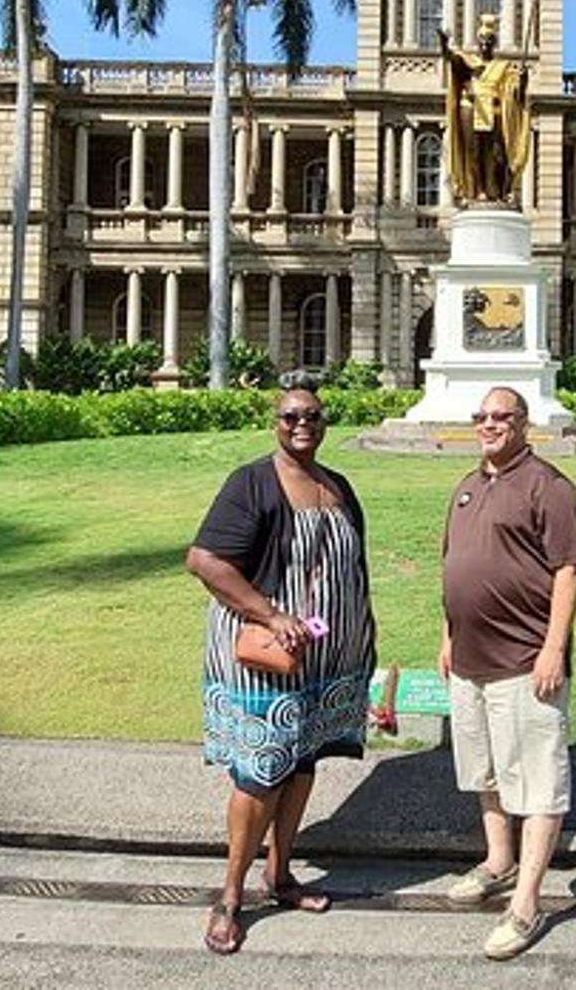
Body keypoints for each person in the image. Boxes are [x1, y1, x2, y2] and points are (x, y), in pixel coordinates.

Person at [187, 387, 376, 955]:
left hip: (324, 661)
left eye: (312, 417)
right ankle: (229, 897)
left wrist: (366, 635)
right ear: (275, 423)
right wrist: (272, 613)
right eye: (291, 416)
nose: (302, 425)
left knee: (302, 764)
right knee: (261, 773)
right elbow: (204, 561)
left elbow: (353, 568)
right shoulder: (252, 482)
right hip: (263, 660)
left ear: (324, 423)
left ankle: (282, 873)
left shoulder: (336, 486)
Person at [439, 385, 576, 961]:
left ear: (525, 423)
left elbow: (568, 572)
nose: (490, 424)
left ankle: (526, 903)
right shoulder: (471, 485)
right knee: (486, 771)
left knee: (538, 781)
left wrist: (553, 648)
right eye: (483, 416)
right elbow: (452, 564)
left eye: (502, 416)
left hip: (524, 658)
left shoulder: (549, 487)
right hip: (470, 657)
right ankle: (499, 862)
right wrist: (447, 636)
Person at [438, 14, 532, 204]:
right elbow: (450, 58)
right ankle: (478, 190)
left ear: (494, 43)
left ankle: (499, 192)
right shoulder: (469, 62)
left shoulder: (502, 67)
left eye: (489, 41)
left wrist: (523, 79)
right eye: (482, 41)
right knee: (474, 151)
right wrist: (443, 43)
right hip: (470, 109)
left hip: (494, 110)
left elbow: (516, 95)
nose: (485, 45)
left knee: (498, 153)